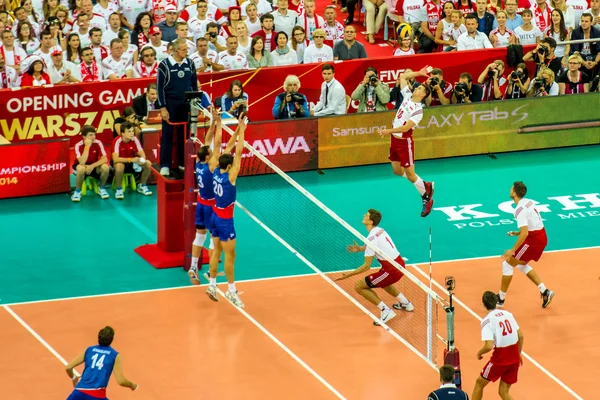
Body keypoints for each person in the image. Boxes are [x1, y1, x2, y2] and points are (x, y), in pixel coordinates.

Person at [336, 209, 414, 325]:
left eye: (366, 215)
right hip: (399, 264)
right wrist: (361, 248)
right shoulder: (380, 231)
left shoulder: (371, 239)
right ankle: (406, 303)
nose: (364, 215)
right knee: (383, 282)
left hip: (391, 270)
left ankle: (386, 311)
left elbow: (366, 266)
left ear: (371, 221)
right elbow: (376, 247)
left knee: (359, 286)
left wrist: (348, 275)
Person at [189, 108, 240, 284]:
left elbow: (208, 141)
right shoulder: (214, 167)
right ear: (209, 157)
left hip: (200, 203)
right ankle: (212, 270)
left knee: (199, 236)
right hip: (212, 206)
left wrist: (213, 122)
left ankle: (193, 266)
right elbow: (216, 143)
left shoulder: (198, 162)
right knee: (214, 240)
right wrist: (219, 123)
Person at [377, 66, 435, 218]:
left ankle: (426, 198)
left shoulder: (418, 111)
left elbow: (406, 127)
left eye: (421, 87)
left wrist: (387, 131)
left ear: (423, 94)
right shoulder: (408, 96)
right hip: (394, 141)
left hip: (404, 142)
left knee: (410, 174)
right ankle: (425, 184)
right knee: (396, 171)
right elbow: (403, 76)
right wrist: (420, 73)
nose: (417, 87)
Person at [205, 113, 246, 308]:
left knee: (216, 252)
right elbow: (237, 152)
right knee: (231, 257)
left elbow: (226, 147)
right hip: (225, 221)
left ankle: (212, 285)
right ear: (229, 166)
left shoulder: (214, 169)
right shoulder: (231, 177)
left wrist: (233, 127)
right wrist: (243, 130)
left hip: (214, 215)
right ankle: (231, 291)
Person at [498, 181, 555, 308]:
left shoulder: (519, 210)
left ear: (514, 193)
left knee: (507, 264)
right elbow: (531, 225)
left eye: (511, 188)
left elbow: (525, 233)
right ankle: (545, 291)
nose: (510, 189)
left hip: (532, 241)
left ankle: (500, 299)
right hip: (541, 236)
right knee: (521, 265)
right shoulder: (528, 202)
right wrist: (517, 233)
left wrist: (512, 250)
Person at [156, 37, 202, 176]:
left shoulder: (190, 63)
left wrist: (196, 105)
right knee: (168, 135)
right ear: (175, 50)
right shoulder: (164, 65)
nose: (186, 52)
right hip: (170, 104)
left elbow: (194, 84)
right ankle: (165, 164)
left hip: (186, 104)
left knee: (185, 135)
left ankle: (183, 163)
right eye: (183, 50)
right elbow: (159, 89)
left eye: (186, 49)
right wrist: (163, 108)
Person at [472, 292, 524, 400]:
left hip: (500, 359)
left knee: (479, 383)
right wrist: (519, 354)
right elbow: (521, 335)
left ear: (483, 304)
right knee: (503, 392)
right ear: (496, 301)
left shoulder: (487, 321)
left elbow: (488, 346)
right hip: (514, 357)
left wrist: (479, 353)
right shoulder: (508, 314)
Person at [65, 326, 138, 400]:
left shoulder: (89, 350)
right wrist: (132, 385)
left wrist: (73, 378)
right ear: (112, 339)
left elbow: (68, 367)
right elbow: (121, 381)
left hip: (78, 393)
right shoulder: (114, 355)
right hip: (97, 396)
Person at [71, 125, 110, 202]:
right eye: (91, 135)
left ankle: (102, 188)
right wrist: (87, 147)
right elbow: (82, 162)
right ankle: (77, 192)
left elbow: (105, 159)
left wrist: (92, 166)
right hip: (82, 166)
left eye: (94, 134)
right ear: (84, 136)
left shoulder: (98, 143)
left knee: (105, 167)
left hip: (93, 165)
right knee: (81, 168)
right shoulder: (78, 145)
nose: (93, 137)